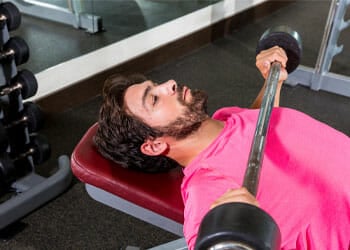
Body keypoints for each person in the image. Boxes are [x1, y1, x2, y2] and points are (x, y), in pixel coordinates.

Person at [94, 46, 350, 250]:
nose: (170, 83)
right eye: (155, 98)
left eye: (157, 84)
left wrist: (274, 81)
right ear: (156, 145)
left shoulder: (226, 118)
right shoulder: (208, 192)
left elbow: (259, 126)